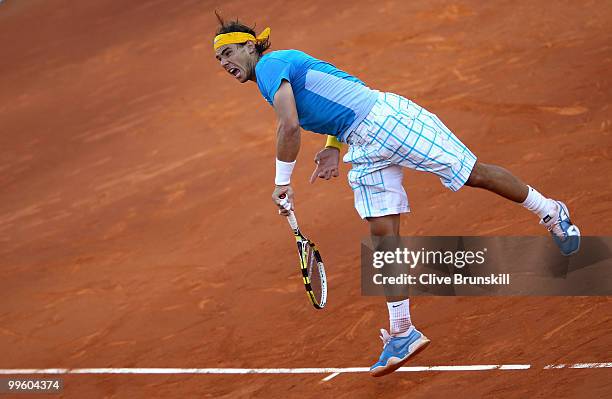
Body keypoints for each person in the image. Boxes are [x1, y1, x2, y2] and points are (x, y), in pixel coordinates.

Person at [212, 15, 581, 377]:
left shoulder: (270, 65)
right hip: (362, 142)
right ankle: (403, 332)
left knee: (473, 174)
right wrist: (332, 146)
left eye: (228, 53)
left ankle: (549, 211)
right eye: (219, 60)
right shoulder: (272, 74)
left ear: (249, 46)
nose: (224, 63)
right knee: (383, 234)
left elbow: (290, 124)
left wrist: (282, 181)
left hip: (388, 120)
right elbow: (340, 91)